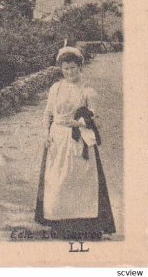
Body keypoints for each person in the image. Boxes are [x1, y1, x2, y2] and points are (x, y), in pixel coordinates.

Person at [34, 45, 116, 239]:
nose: (69, 72)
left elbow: (97, 121)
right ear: (61, 69)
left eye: (73, 67)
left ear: (80, 67)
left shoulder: (88, 92)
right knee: (57, 181)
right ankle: (59, 224)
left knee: (79, 181)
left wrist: (79, 122)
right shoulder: (56, 88)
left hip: (78, 140)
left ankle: (84, 224)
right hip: (57, 139)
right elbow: (48, 113)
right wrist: (46, 133)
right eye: (65, 68)